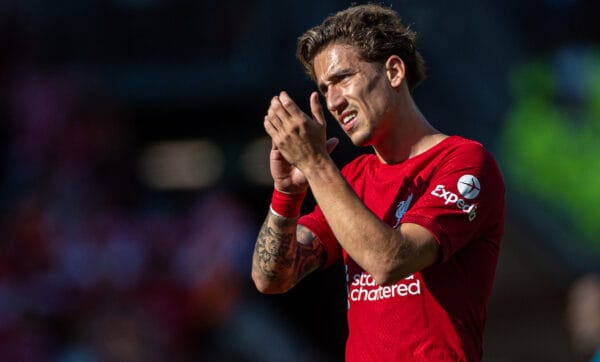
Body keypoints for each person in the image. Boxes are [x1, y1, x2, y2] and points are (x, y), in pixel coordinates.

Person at [251, 4, 505, 361]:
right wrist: (287, 195)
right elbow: (271, 278)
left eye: (343, 78)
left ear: (394, 71)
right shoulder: (350, 180)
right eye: (325, 89)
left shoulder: (463, 162)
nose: (335, 101)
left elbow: (389, 261)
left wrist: (315, 163)